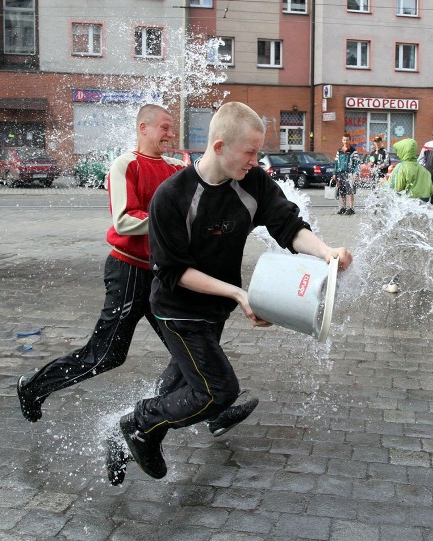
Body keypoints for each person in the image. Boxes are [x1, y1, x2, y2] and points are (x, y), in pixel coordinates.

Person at [116, 101, 353, 481]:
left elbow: (287, 225)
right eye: (250, 151)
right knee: (217, 392)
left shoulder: (253, 182)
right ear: (220, 146)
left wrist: (327, 253)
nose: (255, 160)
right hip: (178, 310)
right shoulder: (172, 196)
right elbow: (173, 272)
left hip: (215, 310)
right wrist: (240, 295)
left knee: (179, 384)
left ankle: (119, 437)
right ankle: (138, 424)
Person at [16, 104, 258, 436]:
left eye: (172, 128)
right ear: (143, 128)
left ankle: (212, 412)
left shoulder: (177, 168)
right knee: (107, 355)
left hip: (165, 276)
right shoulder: (125, 164)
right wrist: (169, 224)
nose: (170, 134)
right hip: (129, 271)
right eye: (164, 127)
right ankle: (34, 386)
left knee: (188, 344)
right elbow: (123, 220)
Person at [388, 138, 433, 203]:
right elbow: (431, 190)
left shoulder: (401, 167)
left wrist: (384, 182)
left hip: (408, 203)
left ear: (403, 151)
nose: (397, 154)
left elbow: (396, 188)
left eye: (398, 151)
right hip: (424, 203)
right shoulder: (424, 169)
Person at [332, 133, 360, 215]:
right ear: (342, 140)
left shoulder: (353, 151)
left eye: (347, 140)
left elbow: (357, 163)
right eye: (344, 140)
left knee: (350, 191)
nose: (345, 141)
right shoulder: (339, 151)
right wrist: (334, 173)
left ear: (350, 140)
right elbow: (336, 163)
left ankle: (351, 208)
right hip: (340, 174)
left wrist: (355, 173)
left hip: (349, 174)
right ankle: (343, 207)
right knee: (342, 191)